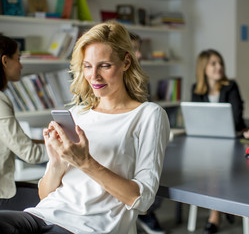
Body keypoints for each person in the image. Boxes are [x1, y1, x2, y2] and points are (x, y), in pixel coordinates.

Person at [0, 21, 170, 233]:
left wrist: (85, 162)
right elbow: (44, 195)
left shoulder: (148, 115)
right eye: (88, 66)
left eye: (105, 65)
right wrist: (56, 162)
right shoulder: (77, 114)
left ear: (126, 62)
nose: (94, 76)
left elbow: (142, 200)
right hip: (44, 214)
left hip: (88, 226)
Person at [192, 49, 246, 234]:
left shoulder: (231, 86)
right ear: (203, 68)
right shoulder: (196, 89)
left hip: (231, 144)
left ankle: (215, 215)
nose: (219, 67)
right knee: (206, 161)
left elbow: (236, 119)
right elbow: (195, 120)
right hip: (206, 145)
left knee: (214, 165)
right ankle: (223, 204)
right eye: (213, 63)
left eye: (220, 63)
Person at [0, 35, 47, 211]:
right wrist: (65, 149)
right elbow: (30, 154)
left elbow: (16, 144)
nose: (21, 65)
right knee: (59, 200)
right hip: (2, 195)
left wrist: (49, 142)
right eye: (18, 58)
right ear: (5, 61)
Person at [130, 31, 164, 234]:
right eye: (135, 50)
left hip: (142, 140)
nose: (140, 55)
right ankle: (145, 214)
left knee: (156, 172)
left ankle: (146, 213)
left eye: (139, 50)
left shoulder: (142, 80)